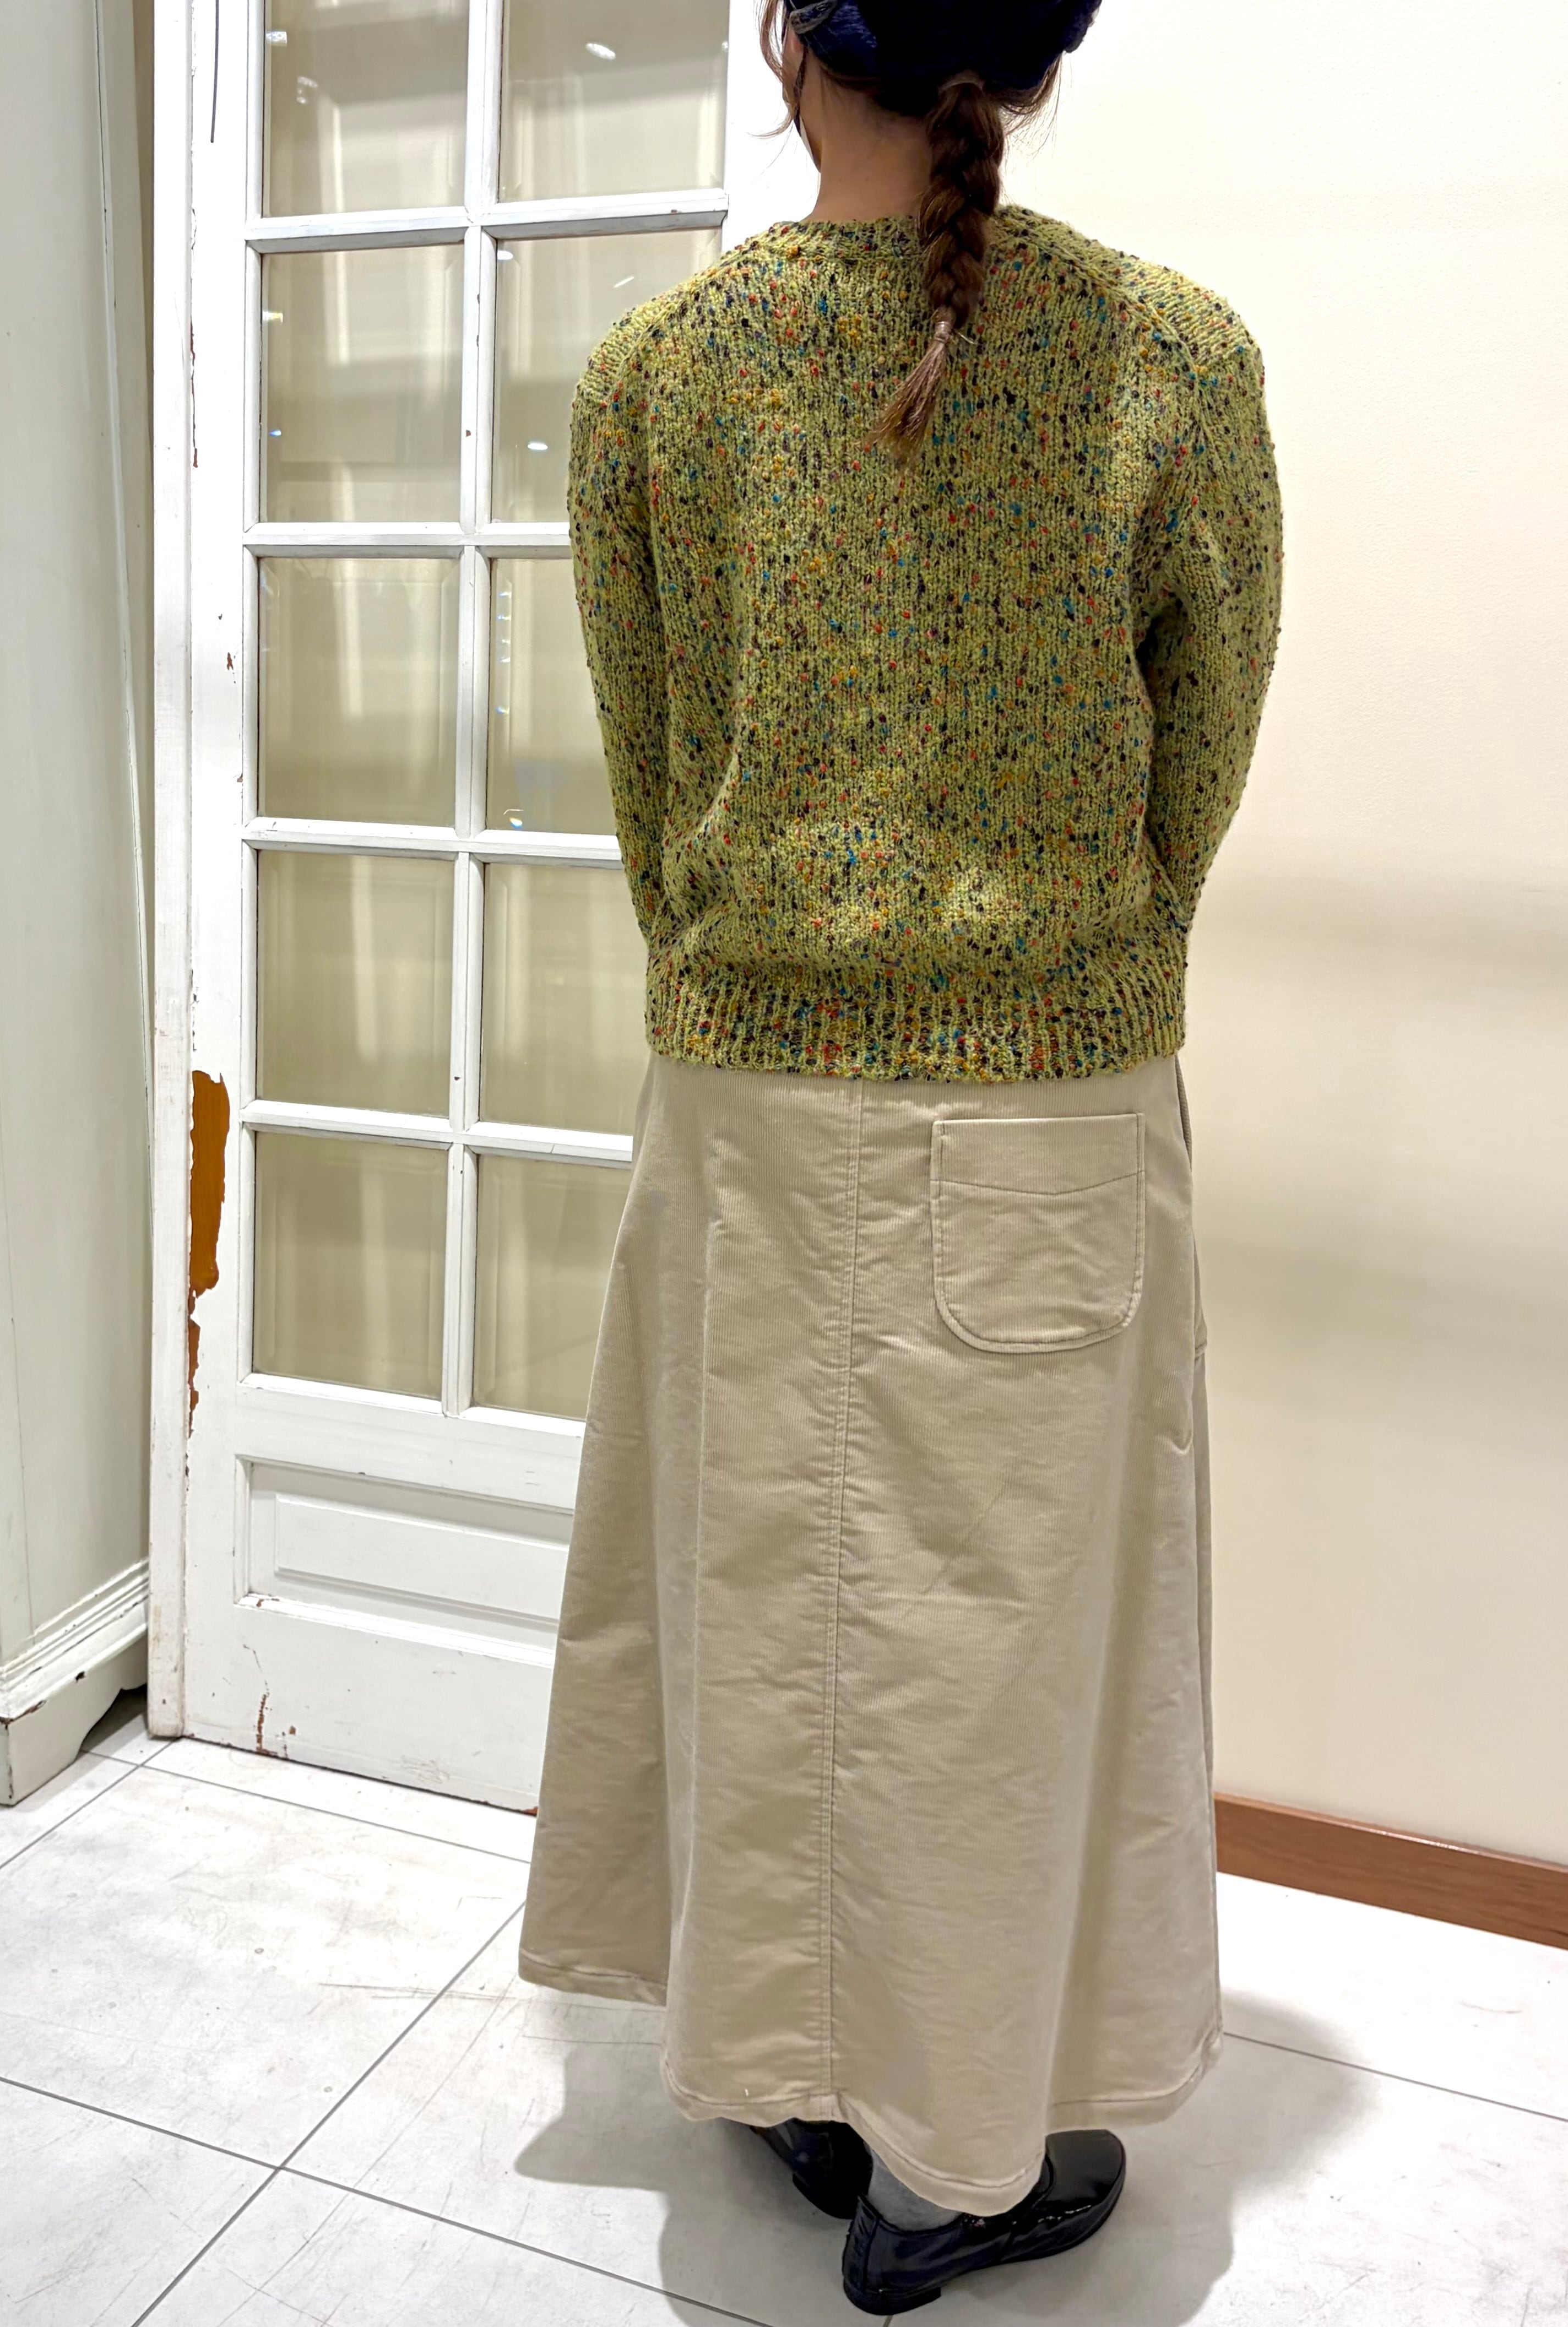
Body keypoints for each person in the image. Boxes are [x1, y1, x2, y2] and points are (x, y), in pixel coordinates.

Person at [518, 0, 1283, 2310]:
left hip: (751, 1113)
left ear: (789, 41)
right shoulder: (1173, 358)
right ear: (1030, 60)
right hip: (1047, 1101)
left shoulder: (661, 375)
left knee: (761, 1621)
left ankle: (798, 2072)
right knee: (994, 1660)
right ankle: (950, 2164)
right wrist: (1069, 963)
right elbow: (1198, 756)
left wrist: (768, 976)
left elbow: (657, 778)